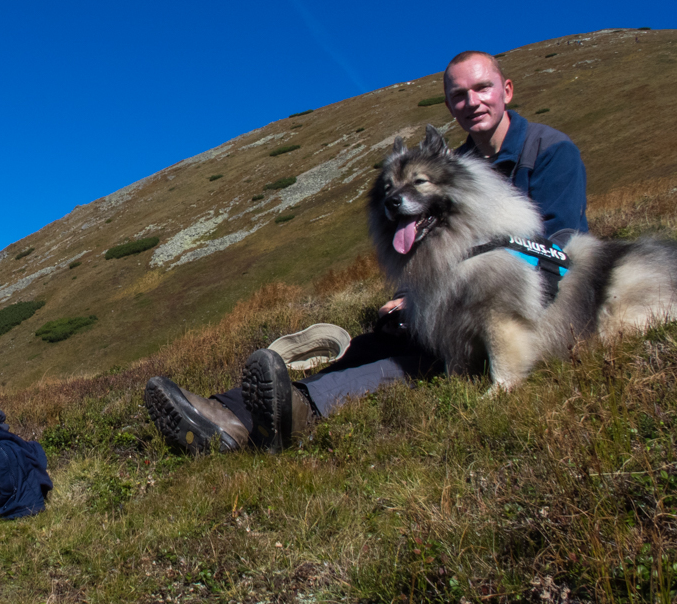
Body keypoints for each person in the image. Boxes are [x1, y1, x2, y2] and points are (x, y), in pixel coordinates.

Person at [145, 51, 589, 455]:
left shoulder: (549, 153)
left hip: (515, 311)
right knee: (367, 345)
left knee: (411, 361)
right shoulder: (449, 167)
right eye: (459, 95)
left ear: (505, 90)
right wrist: (412, 292)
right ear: (450, 104)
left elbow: (556, 249)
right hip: (448, 300)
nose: (472, 101)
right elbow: (435, 248)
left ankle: (298, 411)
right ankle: (223, 414)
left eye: (482, 88)